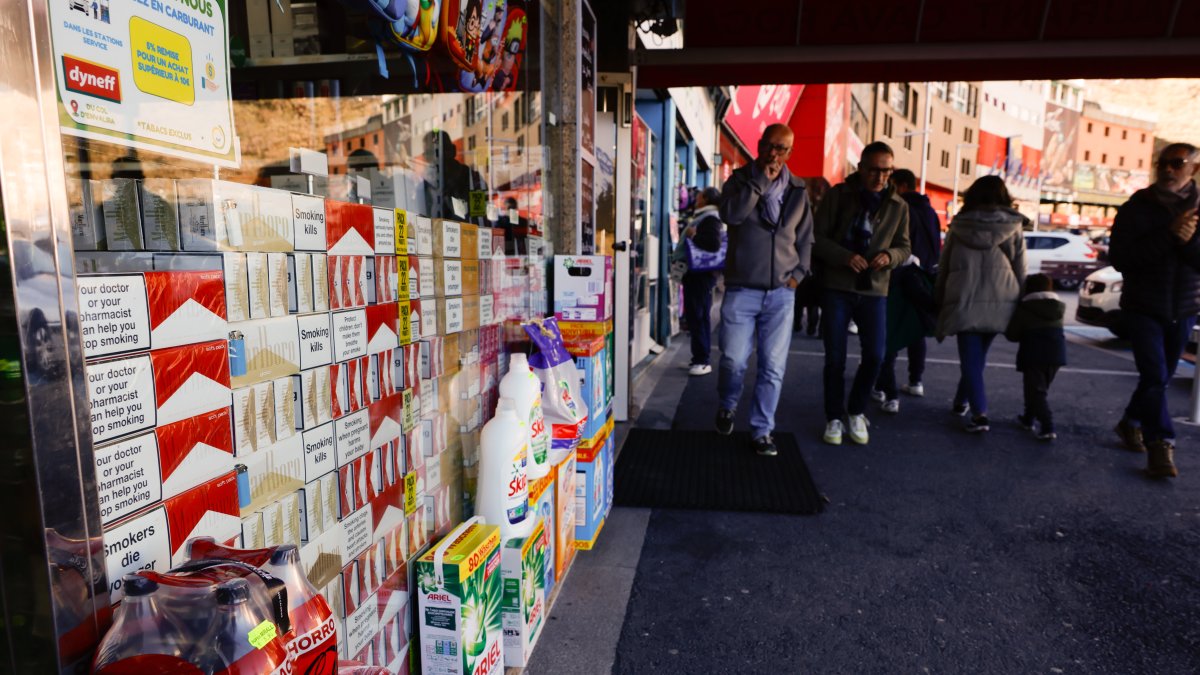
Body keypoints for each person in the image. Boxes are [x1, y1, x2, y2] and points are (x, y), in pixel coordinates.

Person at [715, 124, 814, 457]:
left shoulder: (798, 189)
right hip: (742, 288)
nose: (775, 154)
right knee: (733, 360)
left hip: (782, 292)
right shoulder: (740, 181)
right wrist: (760, 182)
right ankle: (728, 404)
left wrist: (797, 276)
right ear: (759, 146)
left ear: (790, 152)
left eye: (782, 149)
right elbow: (732, 214)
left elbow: (805, 240)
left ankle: (762, 430)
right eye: (770, 146)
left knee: (773, 366)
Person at [1108, 142, 1200, 479]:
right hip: (1143, 306)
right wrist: (1169, 235)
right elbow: (1121, 259)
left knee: (1158, 378)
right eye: (1163, 163)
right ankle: (1160, 442)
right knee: (1155, 376)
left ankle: (1131, 421)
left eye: (1178, 163)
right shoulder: (1137, 207)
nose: (1168, 170)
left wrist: (1188, 240)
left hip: (1185, 307)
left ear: (1194, 170)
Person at [813, 142, 911, 445]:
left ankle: (856, 410)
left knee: (876, 355)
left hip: (875, 288)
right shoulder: (838, 195)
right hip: (837, 287)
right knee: (835, 358)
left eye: (886, 170)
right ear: (861, 167)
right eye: (874, 170)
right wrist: (844, 256)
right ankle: (833, 417)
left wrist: (890, 257)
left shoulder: (898, 205)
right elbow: (817, 238)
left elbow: (905, 246)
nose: (880, 177)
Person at [934, 175, 1026, 433]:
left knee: (971, 358)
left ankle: (980, 413)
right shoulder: (1013, 226)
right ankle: (961, 401)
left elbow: (945, 266)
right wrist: (1021, 300)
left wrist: (939, 296)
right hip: (1003, 298)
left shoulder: (959, 226)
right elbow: (1020, 268)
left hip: (964, 297)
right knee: (977, 358)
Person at [879, 168, 941, 398]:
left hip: (902, 275)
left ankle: (885, 387)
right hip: (924, 277)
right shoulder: (930, 211)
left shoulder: (903, 209)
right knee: (916, 331)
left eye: (892, 183)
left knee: (893, 329)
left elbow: (900, 245)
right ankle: (916, 379)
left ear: (902, 185)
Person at [1005, 273, 1066, 441]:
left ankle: (1048, 426)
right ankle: (1028, 418)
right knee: (1037, 389)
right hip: (1057, 354)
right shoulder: (1058, 307)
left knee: (1036, 392)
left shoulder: (1025, 308)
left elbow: (1012, 334)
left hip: (1034, 353)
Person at [674, 187, 724, 376]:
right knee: (696, 315)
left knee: (699, 315)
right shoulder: (706, 216)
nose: (696, 198)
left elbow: (713, 244)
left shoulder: (710, 218)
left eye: (700, 195)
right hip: (698, 274)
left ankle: (702, 360)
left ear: (706, 199)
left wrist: (693, 235)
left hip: (700, 274)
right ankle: (698, 358)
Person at [795, 177, 830, 336]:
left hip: (809, 259)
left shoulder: (806, 210)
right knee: (817, 298)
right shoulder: (827, 212)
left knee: (803, 295)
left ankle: (801, 324)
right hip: (821, 263)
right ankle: (816, 327)